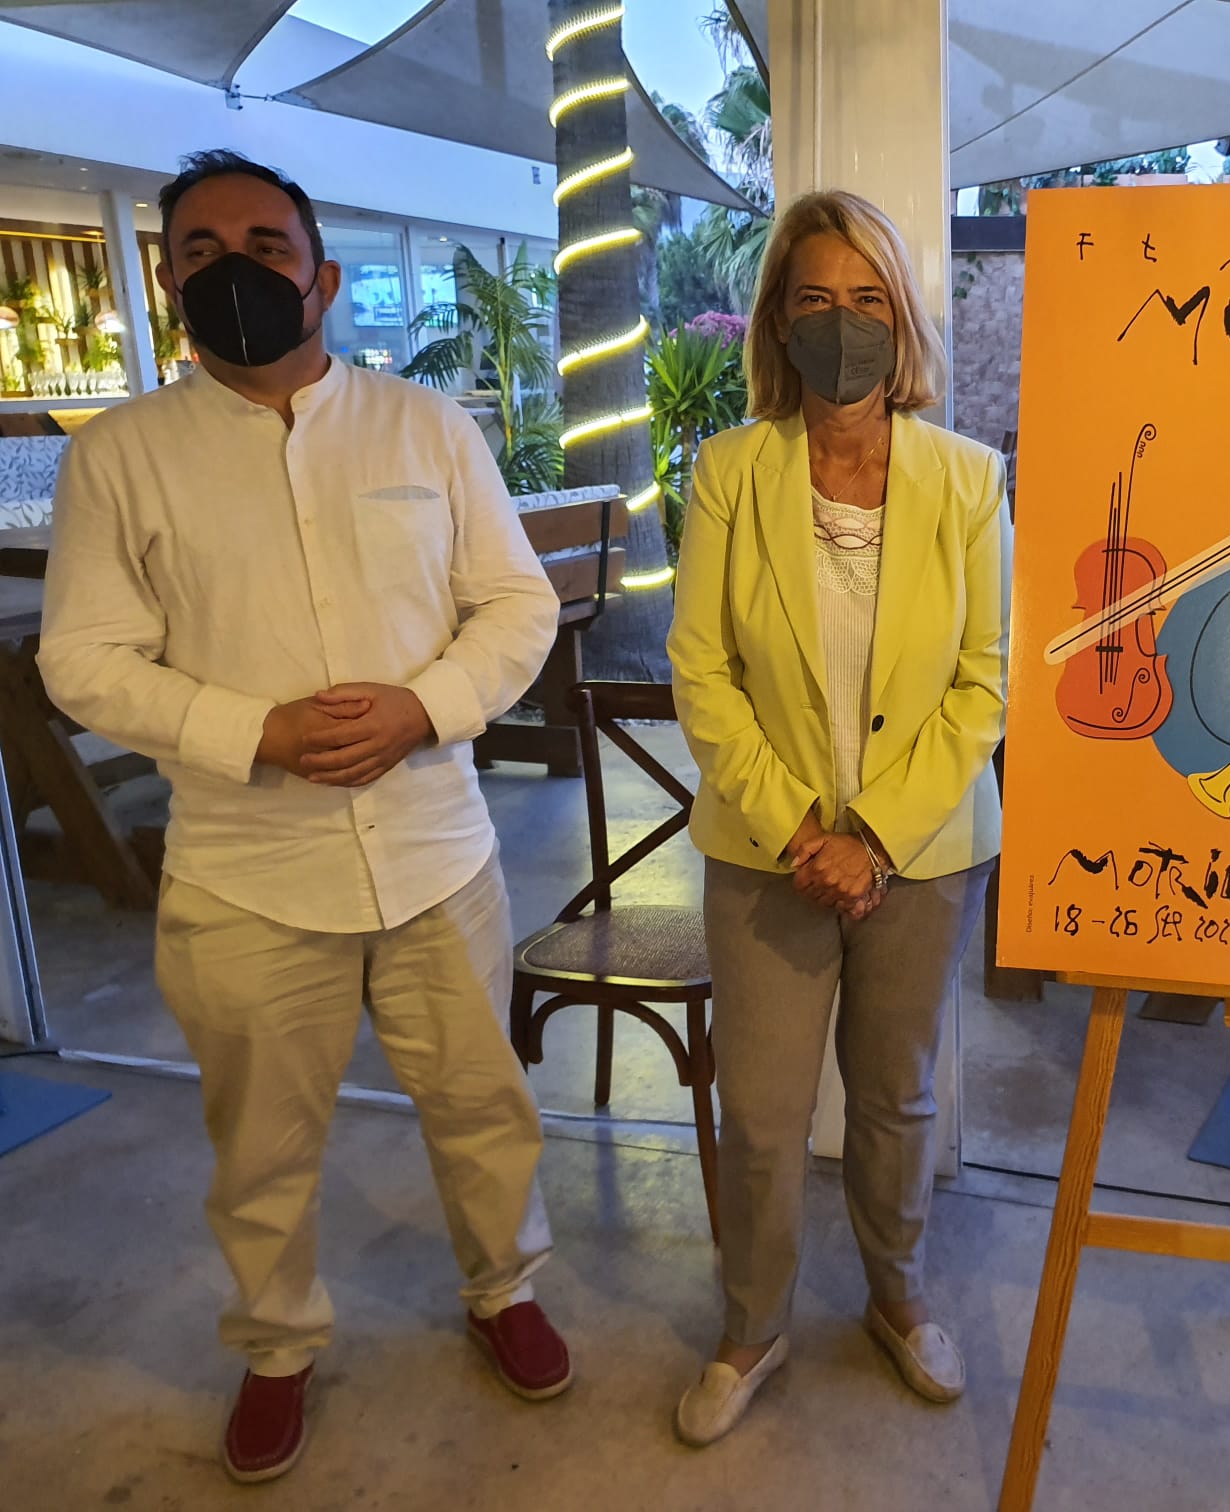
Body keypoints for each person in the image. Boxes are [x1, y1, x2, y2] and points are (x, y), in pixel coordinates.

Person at [38, 151, 570, 1485]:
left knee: (481, 1101)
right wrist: (254, 731)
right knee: (261, 1143)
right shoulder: (120, 460)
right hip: (246, 866)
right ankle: (277, 1347)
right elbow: (83, 659)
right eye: (202, 252)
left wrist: (424, 706)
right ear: (171, 285)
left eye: (266, 247)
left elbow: (518, 604)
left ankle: (504, 1286)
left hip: (435, 850)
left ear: (322, 277)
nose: (237, 271)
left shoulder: (427, 429)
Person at [666, 189, 1008, 1446]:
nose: (843, 323)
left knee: (896, 1097)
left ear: (903, 319)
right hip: (769, 853)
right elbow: (701, 668)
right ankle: (753, 1324)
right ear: (777, 320)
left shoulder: (968, 478)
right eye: (815, 298)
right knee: (760, 1114)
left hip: (924, 853)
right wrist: (803, 831)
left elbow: (986, 679)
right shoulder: (728, 472)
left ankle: (898, 1295)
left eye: (868, 299)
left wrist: (876, 838)